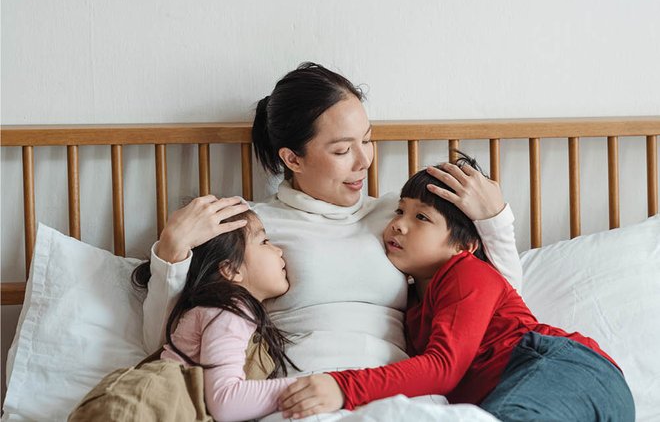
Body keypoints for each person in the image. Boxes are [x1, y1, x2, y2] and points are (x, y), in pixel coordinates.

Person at [141, 62, 523, 416]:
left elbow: (490, 300)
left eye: (367, 141)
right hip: (304, 394)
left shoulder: (402, 218)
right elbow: (171, 342)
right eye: (342, 150)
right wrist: (171, 256)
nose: (364, 161)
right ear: (292, 159)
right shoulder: (252, 226)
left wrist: (495, 221)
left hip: (399, 395)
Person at [277, 157, 635, 422]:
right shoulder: (414, 303)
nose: (399, 225)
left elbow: (443, 368)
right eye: (400, 211)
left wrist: (343, 387)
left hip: (561, 369)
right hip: (535, 390)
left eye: (421, 218)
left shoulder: (468, 274)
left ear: (462, 246)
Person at [133, 209, 300, 422]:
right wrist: (310, 386)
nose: (278, 251)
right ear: (231, 270)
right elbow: (225, 401)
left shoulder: (228, 312)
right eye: (265, 242)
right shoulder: (227, 311)